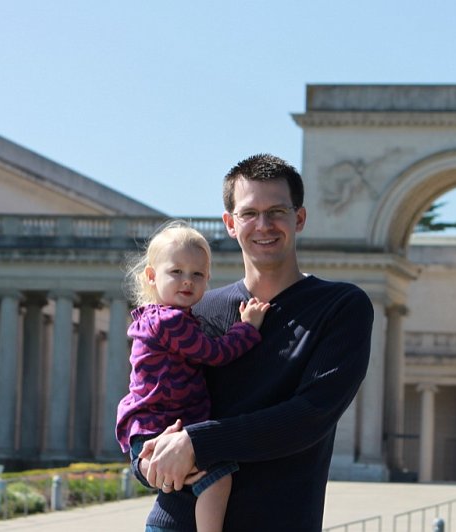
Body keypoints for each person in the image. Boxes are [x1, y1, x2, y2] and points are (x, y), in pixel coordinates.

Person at [135, 154, 374, 531]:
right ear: (230, 224)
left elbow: (310, 416)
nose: (263, 225)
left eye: (277, 211)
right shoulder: (198, 310)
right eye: (249, 214)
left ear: (299, 218)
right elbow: (150, 393)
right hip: (178, 521)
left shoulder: (341, 307)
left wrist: (197, 443)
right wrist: (146, 459)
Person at [115, 220, 270, 532]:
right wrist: (248, 328)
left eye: (197, 274)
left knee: (194, 479)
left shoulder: (154, 318)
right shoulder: (171, 322)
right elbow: (216, 353)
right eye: (177, 272)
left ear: (207, 280)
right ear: (151, 276)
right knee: (218, 478)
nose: (187, 281)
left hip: (147, 428)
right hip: (160, 428)